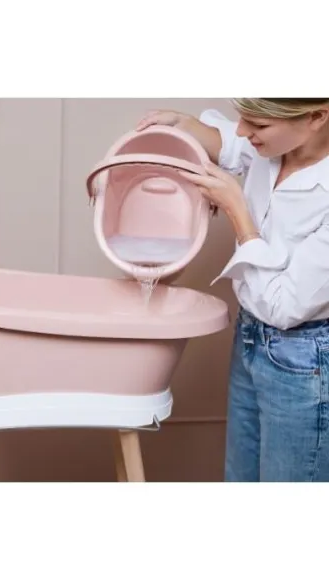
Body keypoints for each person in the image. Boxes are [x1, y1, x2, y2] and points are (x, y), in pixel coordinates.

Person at [137, 99, 329, 482]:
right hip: (251, 337)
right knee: (240, 479)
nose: (243, 130)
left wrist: (238, 212)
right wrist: (183, 124)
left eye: (258, 124)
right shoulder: (276, 145)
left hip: (303, 361)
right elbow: (232, 141)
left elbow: (283, 307)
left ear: (316, 117)